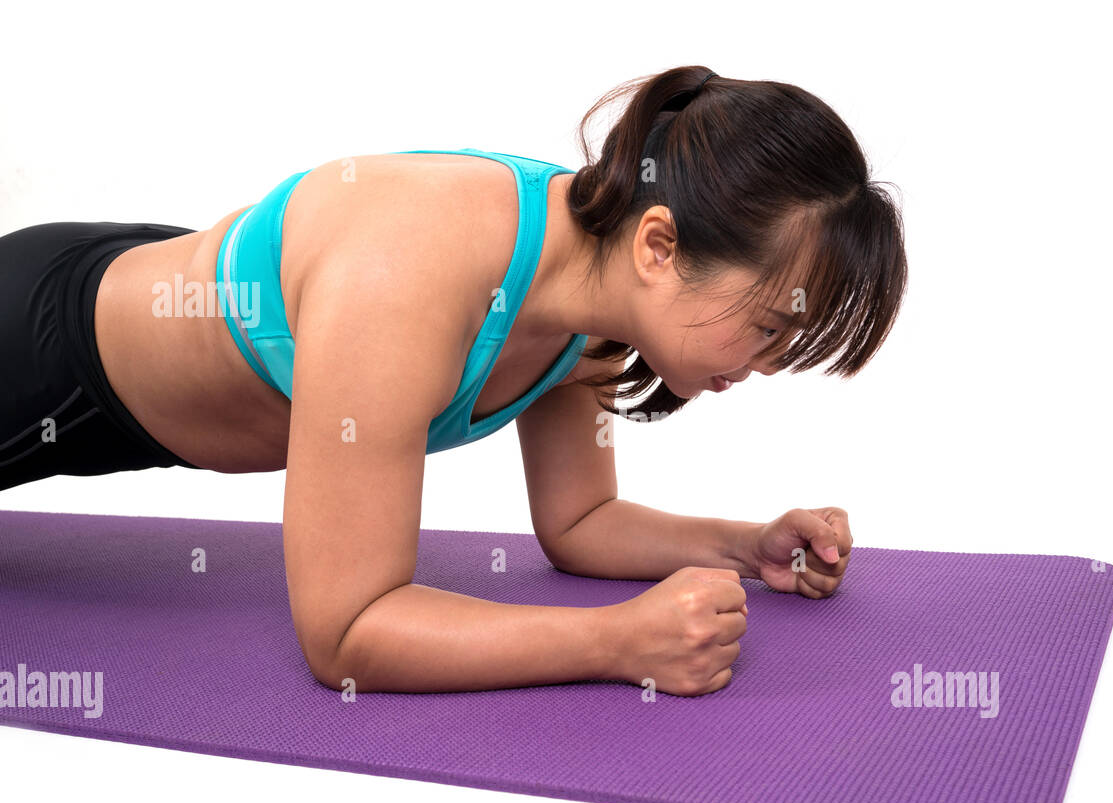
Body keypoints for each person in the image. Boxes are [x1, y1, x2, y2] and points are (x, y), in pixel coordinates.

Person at [0, 66, 906, 696]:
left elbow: (580, 523)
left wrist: (746, 545)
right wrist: (619, 641)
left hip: (137, 276)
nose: (769, 363)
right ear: (660, 246)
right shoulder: (405, 281)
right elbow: (347, 632)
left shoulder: (596, 294)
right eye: (770, 326)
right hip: (41, 358)